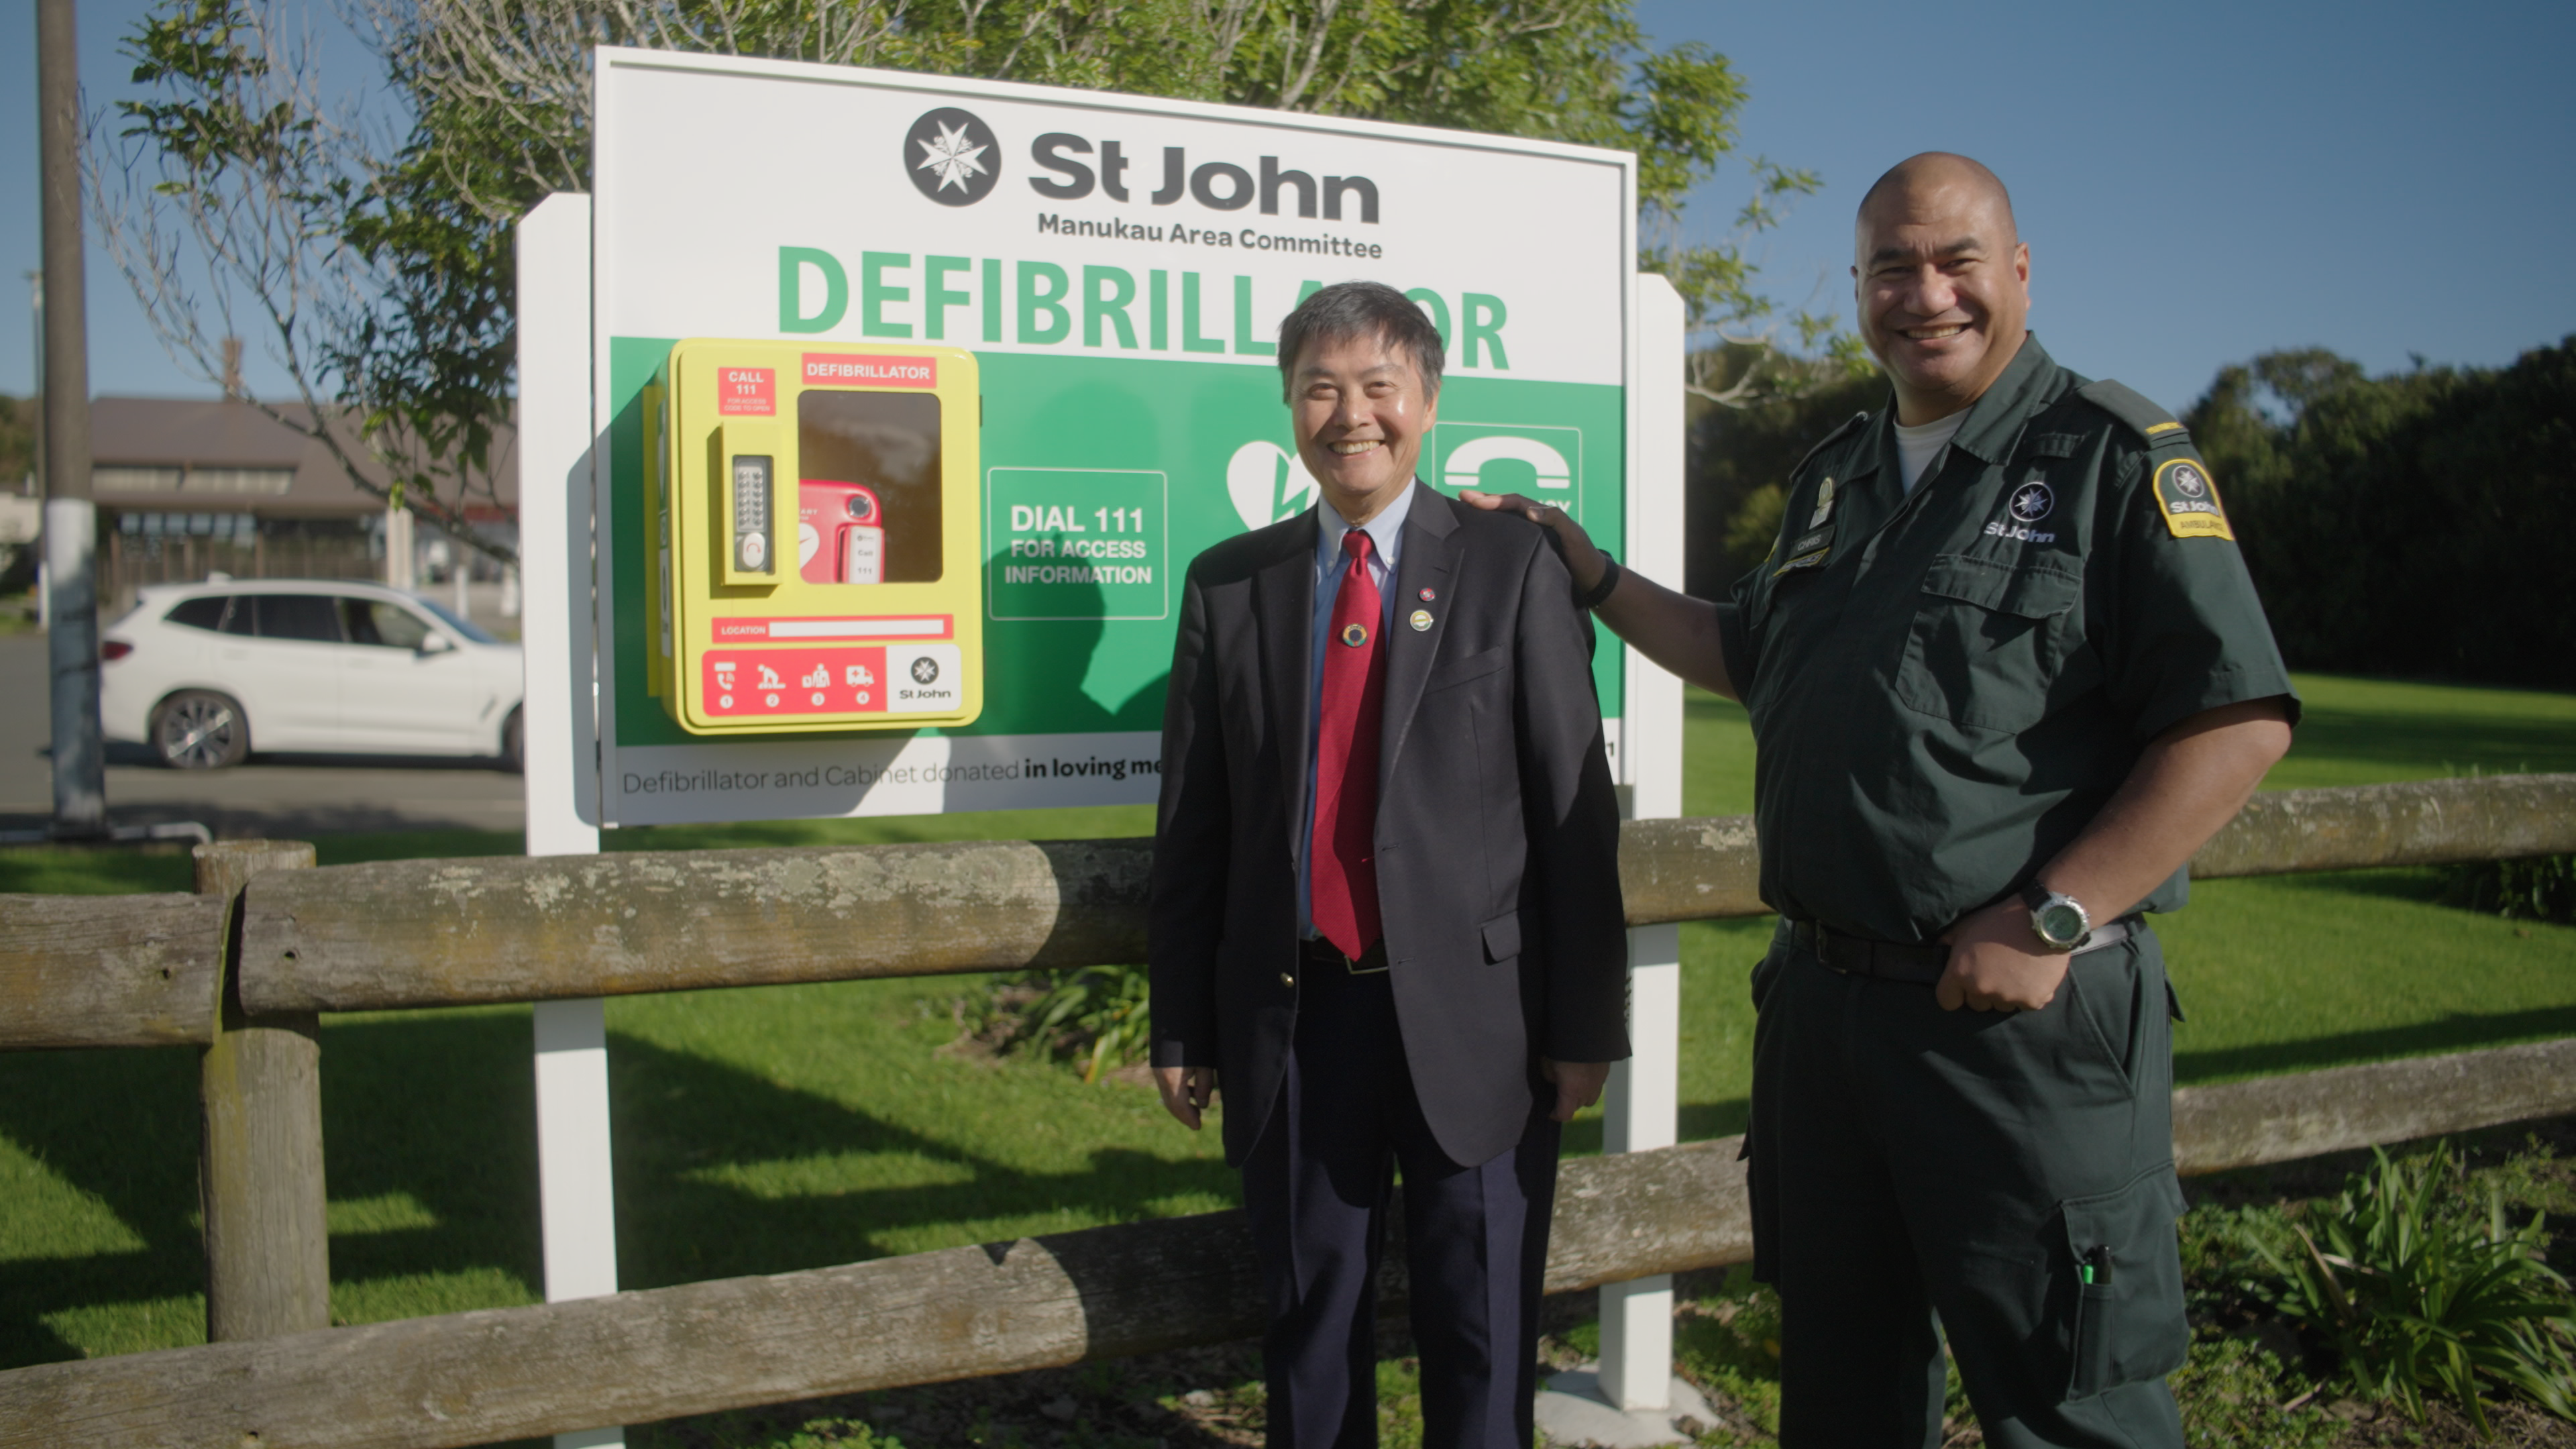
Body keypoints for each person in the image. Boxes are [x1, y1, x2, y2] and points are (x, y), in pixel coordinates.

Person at [1466, 153, 2298, 1448]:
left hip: (2018, 1034)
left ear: (2017, 272)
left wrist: (2055, 917)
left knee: (2070, 1403)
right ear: (1859, 287)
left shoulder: (2109, 458)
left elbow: (2235, 721)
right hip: (1827, 1021)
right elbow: (1749, 651)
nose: (1927, 294)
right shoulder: (1839, 472)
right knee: (1844, 1389)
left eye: (1957, 260)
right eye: (1891, 267)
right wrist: (1595, 575)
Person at [1150, 280, 1631, 1449]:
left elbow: (1575, 819)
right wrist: (1182, 1027)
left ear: (1427, 400)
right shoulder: (1230, 584)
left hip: (1484, 1029)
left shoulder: (1514, 567)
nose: (1349, 413)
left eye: (1378, 386)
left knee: (1483, 1326)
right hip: (1297, 1023)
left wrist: (1582, 1028)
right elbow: (1194, 829)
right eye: (1320, 387)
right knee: (1312, 1333)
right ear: (1287, 407)